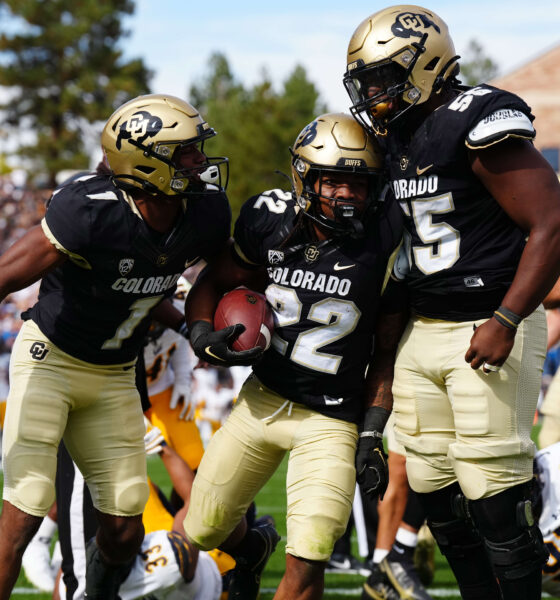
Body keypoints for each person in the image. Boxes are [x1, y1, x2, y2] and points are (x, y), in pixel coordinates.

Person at [343, 6, 560, 600]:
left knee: (493, 496)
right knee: (436, 492)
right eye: (365, 80)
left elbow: (551, 221)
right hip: (421, 326)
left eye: (383, 77)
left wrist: (507, 318)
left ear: (426, 65)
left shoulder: (477, 114)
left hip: (485, 322)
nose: (373, 93)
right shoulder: (395, 137)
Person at [0, 93, 240, 600]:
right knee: (26, 504)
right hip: (52, 361)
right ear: (148, 163)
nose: (200, 162)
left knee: (125, 527)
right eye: (187, 153)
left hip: (115, 374)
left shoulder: (204, 212)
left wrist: (196, 326)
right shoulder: (89, 209)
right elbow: (6, 274)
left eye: (198, 149)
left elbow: (216, 275)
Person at [183, 112, 406, 600]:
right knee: (201, 530)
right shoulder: (270, 218)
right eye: (335, 182)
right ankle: (250, 549)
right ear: (307, 179)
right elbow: (214, 281)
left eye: (359, 184)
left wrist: (371, 430)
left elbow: (385, 352)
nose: (348, 195)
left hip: (331, 420)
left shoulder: (385, 240)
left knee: (309, 558)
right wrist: (201, 333)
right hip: (262, 399)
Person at [54, 418, 230, 600]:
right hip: (172, 568)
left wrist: (161, 446)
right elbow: (192, 502)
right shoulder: (176, 563)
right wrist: (160, 446)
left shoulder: (177, 565)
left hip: (164, 570)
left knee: (79, 569)